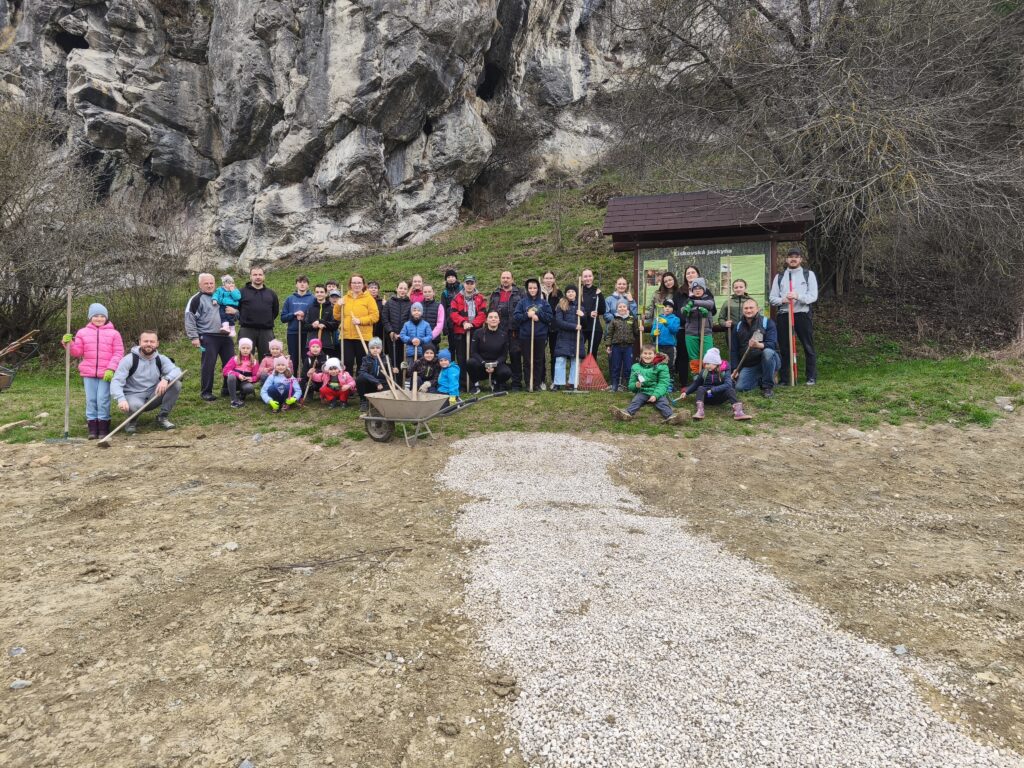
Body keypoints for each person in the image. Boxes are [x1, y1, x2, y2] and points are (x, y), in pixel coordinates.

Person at [62, 302, 125, 439]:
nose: (99, 318)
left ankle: (103, 428)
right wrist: (69, 343)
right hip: (88, 373)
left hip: (106, 373)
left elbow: (118, 353)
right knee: (91, 400)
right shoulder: (82, 332)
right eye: (95, 316)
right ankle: (92, 429)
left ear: (106, 317)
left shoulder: (114, 334)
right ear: (90, 317)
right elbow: (77, 352)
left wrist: (111, 368)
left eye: (102, 316)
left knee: (103, 399)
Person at [109, 330, 182, 434]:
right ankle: (131, 421)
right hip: (133, 397)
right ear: (140, 342)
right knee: (135, 406)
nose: (149, 344)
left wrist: (166, 379)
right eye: (145, 341)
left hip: (154, 395)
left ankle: (162, 417)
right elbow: (116, 381)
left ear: (157, 343)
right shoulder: (128, 360)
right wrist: (121, 399)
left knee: (176, 384)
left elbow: (177, 371)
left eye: (152, 341)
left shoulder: (161, 359)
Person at [770, 247, 819, 385]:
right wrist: (783, 300)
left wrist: (798, 296)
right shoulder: (779, 277)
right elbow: (772, 298)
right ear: (786, 259)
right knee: (784, 347)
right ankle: (785, 379)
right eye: (791, 256)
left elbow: (813, 296)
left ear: (800, 259)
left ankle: (811, 377)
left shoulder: (808, 274)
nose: (793, 259)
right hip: (784, 314)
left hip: (802, 314)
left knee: (808, 346)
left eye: (796, 257)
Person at [185, 272, 234, 402]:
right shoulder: (196, 299)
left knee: (230, 363)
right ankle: (206, 392)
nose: (209, 285)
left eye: (211, 283)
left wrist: (235, 313)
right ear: (200, 284)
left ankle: (227, 388)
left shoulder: (222, 295)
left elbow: (234, 310)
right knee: (208, 365)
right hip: (208, 336)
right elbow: (189, 318)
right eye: (206, 283)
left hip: (226, 336)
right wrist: (194, 337)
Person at [609, 344, 686, 425]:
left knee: (663, 403)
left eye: (650, 354)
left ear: (655, 355)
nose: (647, 356)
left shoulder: (662, 366)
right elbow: (631, 385)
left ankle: (671, 417)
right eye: (645, 353)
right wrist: (636, 385)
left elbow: (663, 383)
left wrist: (655, 395)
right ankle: (626, 414)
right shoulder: (635, 367)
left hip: (657, 392)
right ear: (641, 355)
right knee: (636, 401)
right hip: (643, 391)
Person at [679, 348, 751, 420]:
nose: (706, 366)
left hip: (720, 397)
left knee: (730, 389)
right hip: (708, 397)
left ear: (716, 363)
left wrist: (713, 390)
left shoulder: (725, 371)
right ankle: (700, 411)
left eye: (708, 364)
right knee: (700, 388)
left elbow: (728, 384)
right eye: (705, 364)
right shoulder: (704, 372)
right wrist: (686, 392)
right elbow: (696, 383)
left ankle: (739, 412)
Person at [730, 298, 780, 398]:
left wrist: (758, 345)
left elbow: (772, 345)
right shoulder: (738, 326)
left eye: (751, 308)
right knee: (740, 387)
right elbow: (734, 350)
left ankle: (767, 387)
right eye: (746, 308)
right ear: (742, 310)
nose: (748, 310)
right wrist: (735, 368)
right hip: (751, 364)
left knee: (767, 352)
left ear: (757, 309)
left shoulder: (767, 322)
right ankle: (762, 377)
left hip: (769, 359)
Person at [334, 274, 380, 375]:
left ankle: (361, 384)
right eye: (354, 282)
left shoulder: (369, 299)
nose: (356, 285)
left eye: (359, 282)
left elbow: (375, 316)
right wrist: (337, 305)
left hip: (363, 336)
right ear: (350, 284)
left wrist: (360, 321)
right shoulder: (345, 299)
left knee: (362, 364)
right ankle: (348, 384)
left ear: (363, 284)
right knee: (347, 363)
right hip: (346, 336)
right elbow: (337, 317)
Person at [513, 278, 554, 391]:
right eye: (530, 288)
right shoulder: (522, 302)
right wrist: (527, 315)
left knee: (538, 360)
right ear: (527, 289)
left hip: (540, 335)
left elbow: (549, 317)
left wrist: (538, 314)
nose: (532, 290)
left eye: (534, 288)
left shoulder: (544, 303)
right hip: (526, 336)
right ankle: (528, 383)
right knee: (527, 360)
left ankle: (537, 383)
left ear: (538, 289)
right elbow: (516, 317)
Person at [488, 271, 525, 389]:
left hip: (515, 330)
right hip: (499, 330)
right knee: (499, 356)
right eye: (503, 277)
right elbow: (491, 311)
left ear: (512, 279)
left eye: (508, 278)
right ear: (500, 279)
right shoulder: (495, 294)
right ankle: (500, 382)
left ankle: (516, 383)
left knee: (515, 355)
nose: (505, 280)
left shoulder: (520, 293)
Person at [449, 275, 487, 388]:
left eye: (471, 283)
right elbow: (453, 314)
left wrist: (473, 324)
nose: (469, 285)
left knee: (474, 356)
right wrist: (463, 323)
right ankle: (463, 382)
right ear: (463, 284)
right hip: (460, 332)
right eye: (467, 283)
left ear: (475, 284)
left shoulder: (481, 298)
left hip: (475, 332)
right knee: (461, 357)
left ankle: (474, 380)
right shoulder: (457, 298)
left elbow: (482, 314)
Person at [237, 266, 279, 358]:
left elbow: (275, 311)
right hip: (247, 330)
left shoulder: (271, 294)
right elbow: (236, 309)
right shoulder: (241, 292)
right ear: (250, 277)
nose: (258, 277)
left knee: (267, 358)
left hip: (266, 331)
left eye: (260, 274)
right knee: (245, 358)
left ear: (264, 276)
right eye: (255, 275)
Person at [680, 277, 716, 381]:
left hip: (706, 332)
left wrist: (694, 304)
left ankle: (707, 376)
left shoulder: (708, 298)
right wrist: (693, 308)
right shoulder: (688, 299)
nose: (697, 290)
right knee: (694, 356)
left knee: (708, 355)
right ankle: (696, 376)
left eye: (700, 288)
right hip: (691, 333)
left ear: (704, 289)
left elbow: (710, 305)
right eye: (695, 289)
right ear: (692, 290)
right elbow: (683, 310)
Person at [468, 310, 512, 393]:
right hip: (481, 364)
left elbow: (504, 355)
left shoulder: (503, 335)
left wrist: (495, 364)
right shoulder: (478, 333)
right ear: (486, 320)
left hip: (496, 364)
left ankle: (496, 383)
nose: (493, 319)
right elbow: (474, 352)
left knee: (506, 372)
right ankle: (475, 385)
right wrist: (484, 363)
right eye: (490, 317)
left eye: (495, 317)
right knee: (470, 363)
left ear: (499, 320)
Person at [551, 284, 585, 391]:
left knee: (575, 360)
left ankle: (573, 383)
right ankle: (558, 383)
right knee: (560, 360)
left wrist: (583, 316)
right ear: (565, 294)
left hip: (576, 338)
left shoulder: (581, 307)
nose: (570, 293)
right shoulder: (560, 306)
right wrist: (574, 326)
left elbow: (585, 324)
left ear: (576, 293)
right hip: (563, 337)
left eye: (573, 291)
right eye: (568, 292)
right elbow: (559, 322)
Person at [605, 300, 640, 393]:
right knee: (615, 366)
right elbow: (609, 334)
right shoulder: (614, 320)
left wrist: (640, 329)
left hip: (628, 347)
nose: (622, 308)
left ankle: (629, 385)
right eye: (620, 307)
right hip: (616, 347)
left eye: (624, 306)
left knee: (628, 367)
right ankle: (614, 385)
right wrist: (608, 345)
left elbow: (636, 332)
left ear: (627, 308)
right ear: (617, 309)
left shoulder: (632, 319)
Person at [281, 275, 315, 367]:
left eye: (304, 282)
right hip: (292, 333)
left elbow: (314, 317)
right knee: (293, 358)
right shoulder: (290, 299)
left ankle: (306, 376)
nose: (302, 284)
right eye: (300, 282)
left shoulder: (313, 299)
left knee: (307, 358)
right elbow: (283, 318)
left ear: (308, 285)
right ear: (296, 285)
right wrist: (294, 314)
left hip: (307, 333)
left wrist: (304, 317)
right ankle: (294, 375)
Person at [382, 281, 412, 380]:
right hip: (392, 337)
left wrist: (403, 334)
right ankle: (392, 381)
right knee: (392, 360)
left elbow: (410, 320)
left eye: (405, 289)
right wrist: (390, 331)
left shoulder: (410, 304)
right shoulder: (389, 303)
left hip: (404, 337)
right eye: (401, 288)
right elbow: (385, 319)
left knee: (402, 360)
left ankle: (401, 381)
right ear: (396, 289)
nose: (402, 290)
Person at [304, 284, 340, 359]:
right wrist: (312, 326)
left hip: (327, 344)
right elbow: (305, 326)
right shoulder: (310, 308)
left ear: (326, 294)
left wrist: (324, 324)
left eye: (321, 292)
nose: (319, 294)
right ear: (314, 294)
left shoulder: (332, 308)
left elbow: (335, 325)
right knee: (313, 365)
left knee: (327, 365)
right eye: (317, 292)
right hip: (312, 345)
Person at [650, 298, 681, 386]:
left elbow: (674, 330)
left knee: (670, 365)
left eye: (670, 307)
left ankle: (669, 384)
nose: (667, 308)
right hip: (658, 345)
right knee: (657, 364)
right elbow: (652, 332)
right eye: (665, 306)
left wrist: (667, 323)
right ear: (663, 307)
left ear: (673, 309)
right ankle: (658, 383)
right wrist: (654, 333)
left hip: (670, 346)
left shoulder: (676, 319)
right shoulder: (657, 318)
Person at [222, 337, 260, 408]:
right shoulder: (234, 359)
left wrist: (252, 379)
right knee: (231, 376)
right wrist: (238, 374)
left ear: (251, 349)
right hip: (234, 382)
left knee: (249, 388)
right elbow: (225, 371)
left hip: (245, 382)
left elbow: (257, 376)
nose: (245, 350)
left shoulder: (254, 362)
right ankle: (234, 400)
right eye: (243, 348)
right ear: (240, 348)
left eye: (248, 348)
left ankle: (241, 395)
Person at [400, 302, 434, 378]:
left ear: (421, 312)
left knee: (421, 371)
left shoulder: (426, 324)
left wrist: (421, 340)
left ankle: (419, 383)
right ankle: (409, 384)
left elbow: (429, 336)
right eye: (414, 310)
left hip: (421, 352)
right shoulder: (407, 324)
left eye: (418, 310)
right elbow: (402, 335)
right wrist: (411, 340)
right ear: (411, 312)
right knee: (409, 371)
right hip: (409, 353)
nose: (416, 312)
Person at [355, 337, 388, 410]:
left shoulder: (386, 359)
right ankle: (363, 401)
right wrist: (376, 382)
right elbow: (362, 372)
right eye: (372, 348)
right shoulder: (365, 359)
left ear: (381, 348)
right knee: (360, 378)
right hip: (371, 383)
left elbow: (389, 374)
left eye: (377, 348)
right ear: (369, 349)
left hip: (382, 384)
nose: (375, 350)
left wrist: (393, 370)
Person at [541, 271, 562, 374]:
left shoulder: (558, 293)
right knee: (540, 353)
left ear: (554, 280)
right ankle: (542, 378)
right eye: (546, 278)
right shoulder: (538, 292)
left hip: (554, 326)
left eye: (550, 278)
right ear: (543, 279)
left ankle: (554, 378)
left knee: (554, 353)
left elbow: (560, 309)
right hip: (541, 326)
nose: (548, 280)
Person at [580, 268, 603, 355]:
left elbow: (602, 310)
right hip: (581, 327)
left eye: (589, 276)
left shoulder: (597, 291)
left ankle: (590, 365)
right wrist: (589, 313)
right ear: (582, 278)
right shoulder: (579, 292)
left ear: (593, 277)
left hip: (595, 327)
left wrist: (600, 295)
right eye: (585, 276)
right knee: (578, 353)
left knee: (592, 354)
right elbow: (576, 309)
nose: (588, 278)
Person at [440, 269, 462, 353]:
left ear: (456, 278)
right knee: (452, 346)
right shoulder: (444, 293)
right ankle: (452, 360)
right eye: (448, 277)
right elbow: (443, 310)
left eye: (452, 276)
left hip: (461, 322)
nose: (451, 278)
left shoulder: (462, 289)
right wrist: (444, 326)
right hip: (451, 323)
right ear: (446, 279)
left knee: (461, 347)